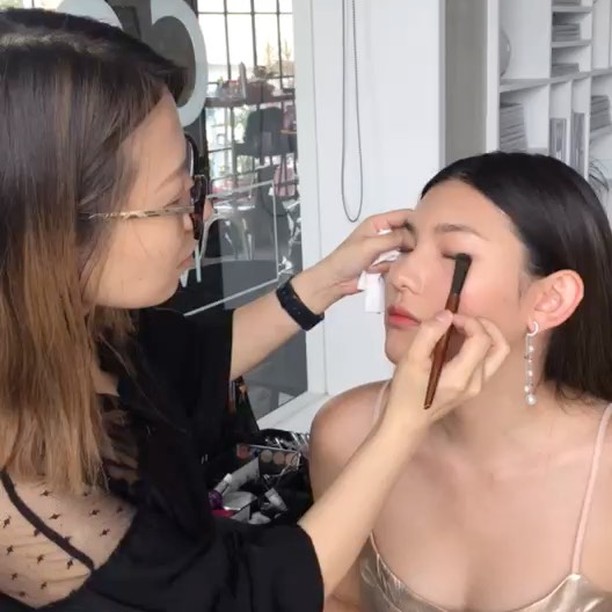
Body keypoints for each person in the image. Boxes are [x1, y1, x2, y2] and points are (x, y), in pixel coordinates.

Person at [0, 9, 510, 612]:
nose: (204, 214)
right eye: (174, 199)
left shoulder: (76, 319)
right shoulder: (20, 490)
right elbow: (245, 600)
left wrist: (322, 283)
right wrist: (402, 424)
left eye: (195, 179)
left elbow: (192, 361)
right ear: (56, 234)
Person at [310, 151, 612, 612]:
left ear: (550, 299)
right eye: (406, 248)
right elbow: (341, 601)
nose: (400, 275)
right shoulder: (345, 435)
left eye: (454, 256)